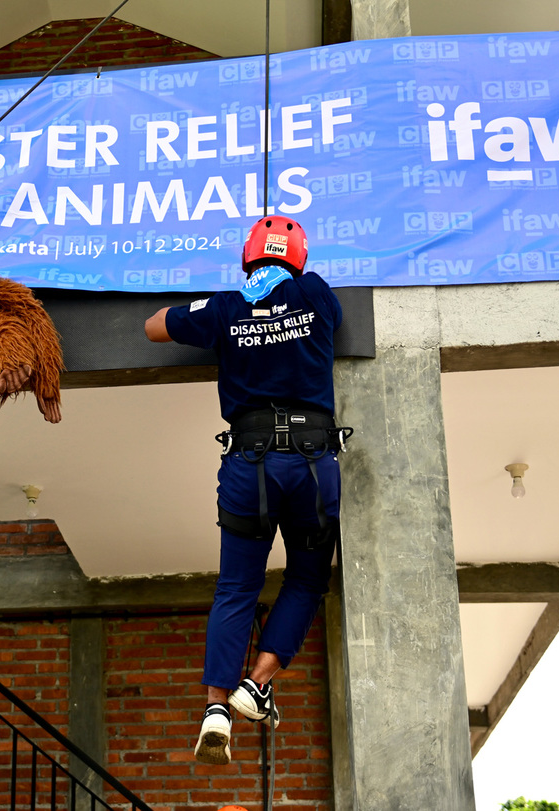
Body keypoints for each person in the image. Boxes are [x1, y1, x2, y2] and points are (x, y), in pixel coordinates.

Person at [144, 216, 345, 766]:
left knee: (236, 586)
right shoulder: (315, 293)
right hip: (311, 463)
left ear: (248, 256)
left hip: (248, 464)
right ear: (297, 256)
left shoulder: (227, 307)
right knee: (306, 579)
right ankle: (256, 684)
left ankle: (215, 708)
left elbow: (154, 327)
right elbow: (332, 325)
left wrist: (217, 316)